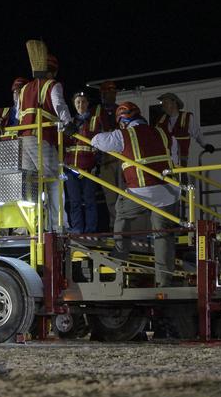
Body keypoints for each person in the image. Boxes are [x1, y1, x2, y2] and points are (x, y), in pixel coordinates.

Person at [90, 102, 179, 286]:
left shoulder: (124, 134)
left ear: (123, 121)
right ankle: (164, 279)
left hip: (141, 190)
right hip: (169, 192)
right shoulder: (165, 134)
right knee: (163, 234)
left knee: (121, 214)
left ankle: (119, 258)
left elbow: (98, 140)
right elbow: (176, 160)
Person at [17, 44, 74, 230]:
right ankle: (59, 225)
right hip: (41, 138)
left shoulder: (25, 88)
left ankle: (27, 226)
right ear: (54, 70)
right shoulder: (53, 85)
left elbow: (19, 115)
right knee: (55, 180)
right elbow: (59, 104)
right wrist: (68, 123)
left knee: (30, 186)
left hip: (23, 138)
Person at [63, 91, 101, 233]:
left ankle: (90, 231)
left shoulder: (96, 121)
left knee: (90, 201)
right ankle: (77, 229)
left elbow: (100, 146)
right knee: (74, 202)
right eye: (78, 102)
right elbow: (63, 145)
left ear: (88, 103)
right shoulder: (69, 122)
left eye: (83, 101)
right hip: (71, 169)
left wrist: (96, 165)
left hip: (89, 168)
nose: (81, 105)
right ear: (74, 104)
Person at [94, 80, 122, 228]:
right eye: (105, 93)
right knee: (110, 194)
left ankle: (123, 224)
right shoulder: (96, 111)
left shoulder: (121, 110)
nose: (108, 96)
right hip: (105, 158)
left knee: (123, 193)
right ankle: (114, 225)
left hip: (121, 157)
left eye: (111, 93)